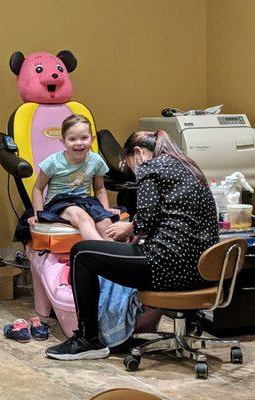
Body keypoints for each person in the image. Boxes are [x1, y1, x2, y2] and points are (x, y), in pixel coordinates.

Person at [45, 130, 219, 361]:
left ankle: (88, 339)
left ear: (138, 153)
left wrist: (129, 228)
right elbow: (167, 218)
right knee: (102, 251)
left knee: (82, 252)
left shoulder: (150, 167)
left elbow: (145, 219)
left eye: (130, 166)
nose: (134, 172)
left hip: (167, 268)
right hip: (202, 271)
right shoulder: (188, 167)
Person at [27, 114, 120, 240]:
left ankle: (114, 256)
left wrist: (106, 209)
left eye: (84, 138)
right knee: (81, 217)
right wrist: (38, 213)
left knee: (105, 222)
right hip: (59, 203)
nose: (79, 143)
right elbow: (38, 189)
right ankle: (101, 253)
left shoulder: (96, 160)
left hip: (86, 201)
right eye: (72, 139)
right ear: (63, 141)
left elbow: (100, 189)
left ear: (92, 139)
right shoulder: (53, 162)